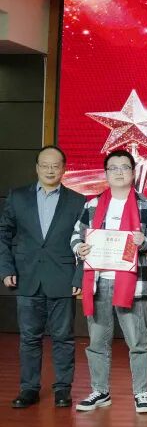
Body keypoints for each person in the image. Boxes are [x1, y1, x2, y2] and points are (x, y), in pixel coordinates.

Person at [71, 149, 147, 413]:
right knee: (97, 342)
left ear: (133, 173)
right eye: (113, 168)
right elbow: (76, 235)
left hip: (133, 284)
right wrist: (79, 248)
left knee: (138, 342)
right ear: (106, 173)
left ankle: (141, 393)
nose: (119, 172)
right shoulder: (92, 204)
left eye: (125, 167)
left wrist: (143, 241)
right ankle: (100, 391)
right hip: (98, 282)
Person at [0, 146, 86, 408]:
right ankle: (29, 389)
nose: (50, 170)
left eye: (56, 165)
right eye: (45, 165)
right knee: (29, 338)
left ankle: (62, 390)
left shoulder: (78, 201)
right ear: (37, 167)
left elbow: (86, 242)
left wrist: (79, 277)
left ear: (64, 169)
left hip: (63, 278)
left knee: (63, 338)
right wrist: (6, 269)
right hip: (26, 277)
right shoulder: (17, 197)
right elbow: (3, 234)